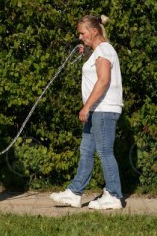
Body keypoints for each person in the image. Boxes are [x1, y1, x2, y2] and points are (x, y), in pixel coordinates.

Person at [50, 14, 124, 209]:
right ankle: (75, 193)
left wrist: (87, 106)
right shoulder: (98, 52)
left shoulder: (104, 50)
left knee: (105, 152)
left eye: (82, 33)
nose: (80, 37)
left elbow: (103, 80)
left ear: (94, 31)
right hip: (97, 110)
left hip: (103, 109)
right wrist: (86, 55)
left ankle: (114, 195)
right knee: (86, 151)